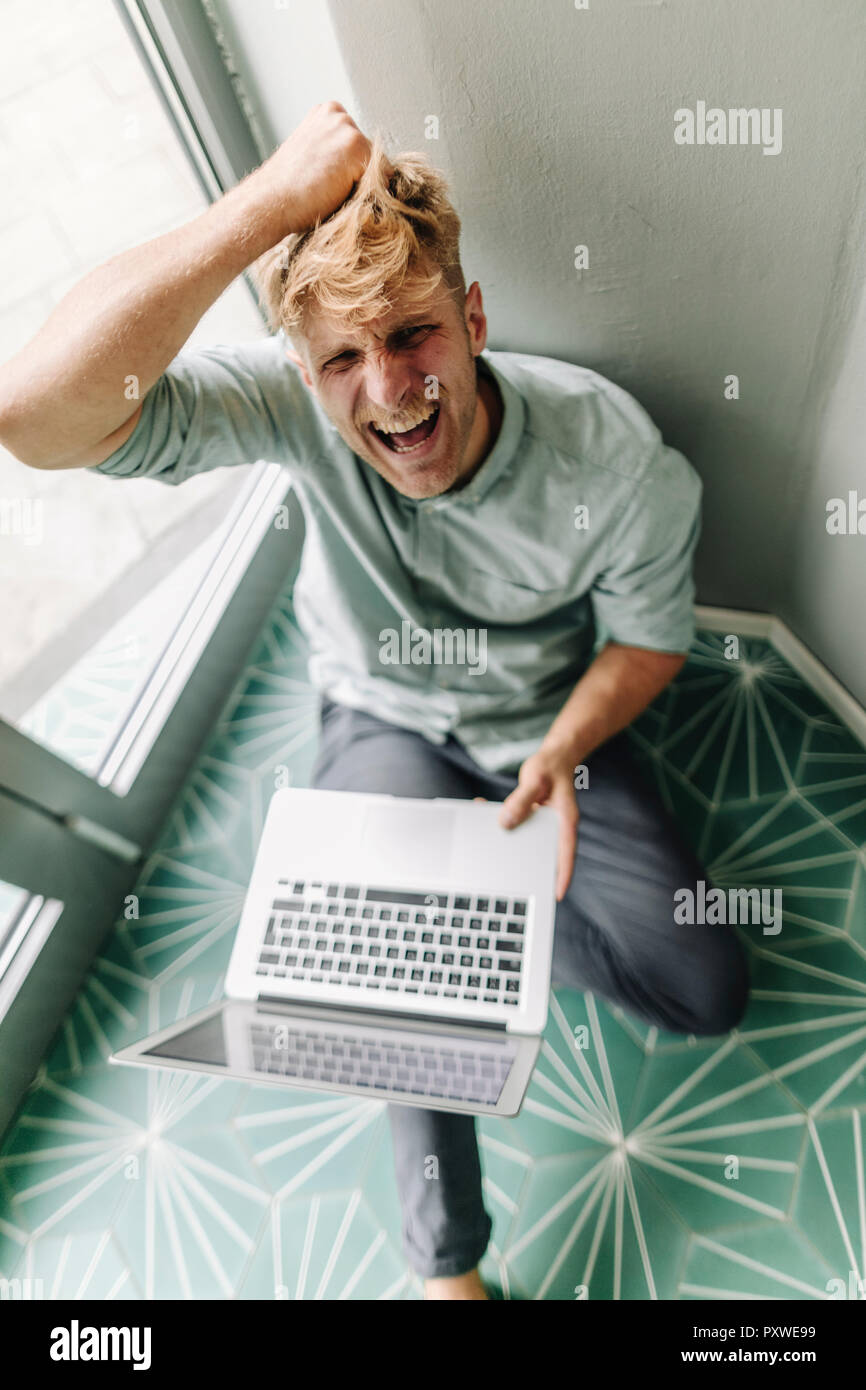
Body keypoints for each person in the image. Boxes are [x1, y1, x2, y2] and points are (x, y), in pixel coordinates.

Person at [0, 102, 749, 1300]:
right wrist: (258, 210)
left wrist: (560, 752)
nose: (389, 389)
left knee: (702, 987)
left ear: (473, 320)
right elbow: (35, 414)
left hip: (541, 734)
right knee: (400, 994)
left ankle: (442, 931)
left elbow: (650, 645)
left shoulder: (610, 457)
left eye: (412, 335)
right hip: (378, 718)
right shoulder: (294, 408)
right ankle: (445, 1270)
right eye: (343, 357)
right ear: (305, 372)